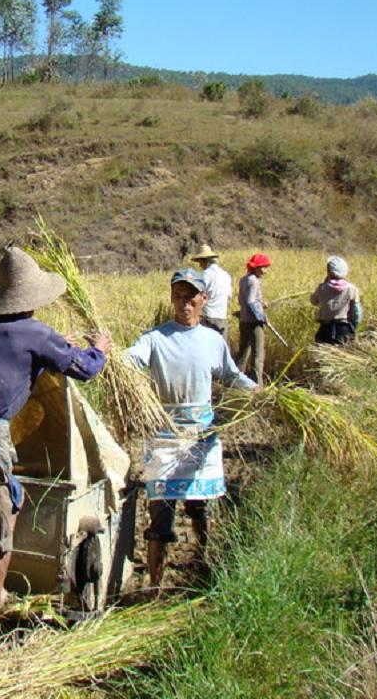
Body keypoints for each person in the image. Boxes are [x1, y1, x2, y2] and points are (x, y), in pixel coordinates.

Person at [0, 247, 111, 649]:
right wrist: (99, 347)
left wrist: (54, 345)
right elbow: (85, 368)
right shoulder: (34, 333)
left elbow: (16, 355)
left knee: (11, 504)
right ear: (32, 299)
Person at [127, 269, 258, 588]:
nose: (184, 303)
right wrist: (106, 357)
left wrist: (254, 389)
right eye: (178, 296)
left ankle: (201, 564)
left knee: (199, 508)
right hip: (166, 438)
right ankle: (154, 584)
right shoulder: (155, 339)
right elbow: (130, 359)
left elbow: (229, 374)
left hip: (201, 436)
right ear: (172, 298)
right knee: (160, 513)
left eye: (191, 296)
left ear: (204, 299)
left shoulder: (213, 340)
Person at [310, 256, 362, 345]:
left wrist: (325, 283)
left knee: (323, 356)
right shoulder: (352, 289)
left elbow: (313, 301)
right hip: (344, 329)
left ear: (329, 272)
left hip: (325, 329)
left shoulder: (322, 288)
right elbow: (357, 312)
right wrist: (353, 327)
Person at [237, 252, 271, 389]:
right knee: (258, 354)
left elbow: (242, 300)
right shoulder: (254, 281)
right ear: (255, 267)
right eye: (263, 267)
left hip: (244, 320)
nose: (265, 271)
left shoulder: (243, 280)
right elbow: (251, 301)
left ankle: (237, 382)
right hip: (253, 322)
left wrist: (260, 303)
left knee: (243, 353)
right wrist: (261, 315)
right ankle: (258, 385)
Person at [190, 244, 232, 343]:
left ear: (205, 260)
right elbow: (229, 297)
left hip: (208, 318)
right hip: (222, 317)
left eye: (200, 261)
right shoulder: (226, 275)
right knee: (222, 350)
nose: (200, 265)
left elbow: (197, 295)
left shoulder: (205, 275)